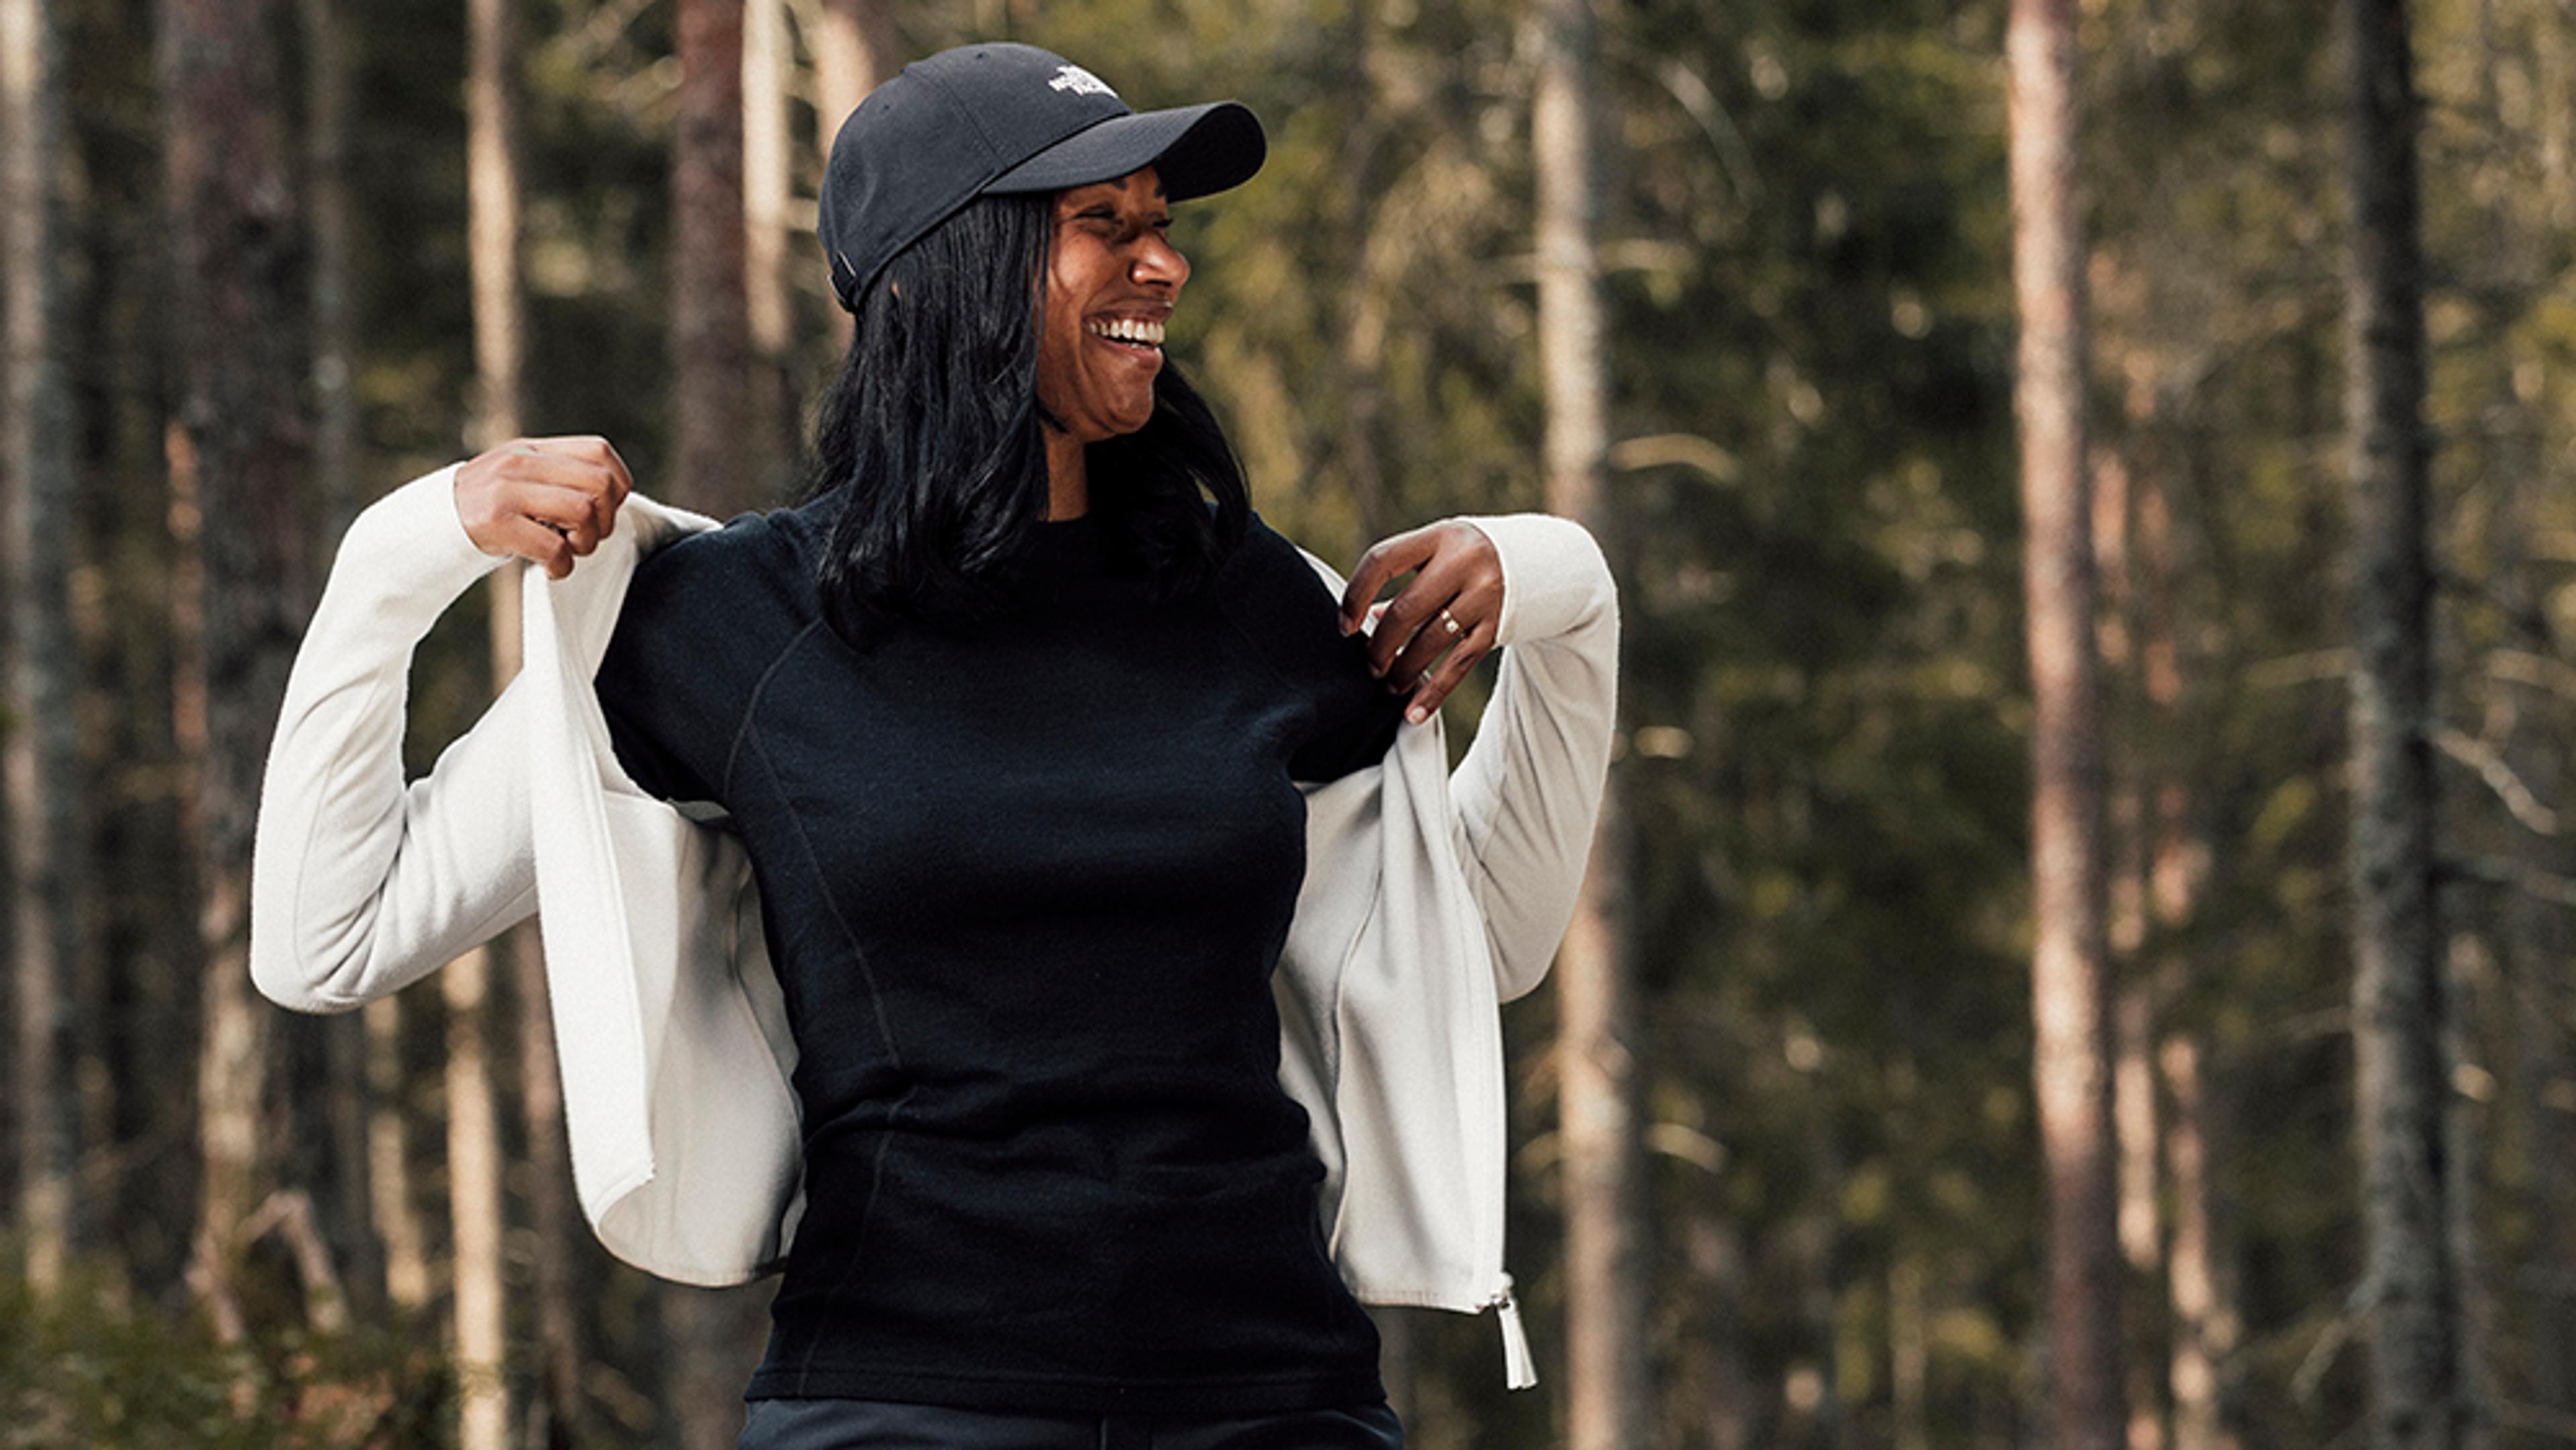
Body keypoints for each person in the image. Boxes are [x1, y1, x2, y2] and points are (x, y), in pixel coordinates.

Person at [249, 40, 1618, 1450]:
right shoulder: (731, 625)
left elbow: (1486, 945)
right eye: (1104, 224)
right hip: (898, 1400)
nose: (1163, 266)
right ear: (935, 272)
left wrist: (1567, 597)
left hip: (1277, 1399)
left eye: (1160, 225)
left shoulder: (1254, 599)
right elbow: (327, 937)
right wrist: (407, 547)